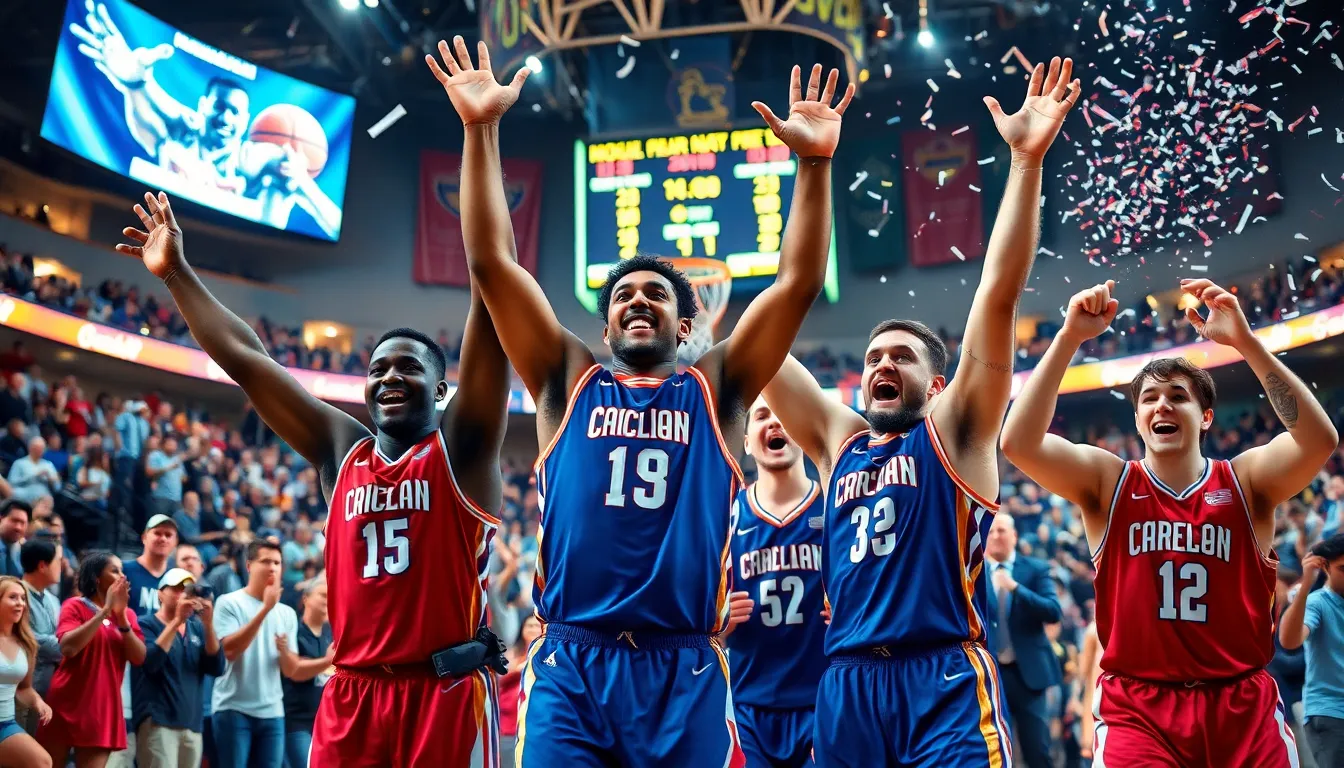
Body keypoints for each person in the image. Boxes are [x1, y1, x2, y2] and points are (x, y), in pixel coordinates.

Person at [428, 35, 851, 766]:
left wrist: (813, 165)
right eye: (623, 294)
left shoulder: (713, 391)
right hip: (572, 664)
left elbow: (797, 286)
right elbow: (492, 262)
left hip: (683, 667)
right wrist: (478, 129)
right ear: (606, 322)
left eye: (656, 293)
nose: (637, 301)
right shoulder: (568, 381)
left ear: (686, 325)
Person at [119, 184, 513, 767]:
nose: (390, 377)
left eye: (410, 366)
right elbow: (249, 362)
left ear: (443, 390)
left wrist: (480, 131)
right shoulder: (343, 451)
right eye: (378, 368)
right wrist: (177, 274)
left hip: (443, 694)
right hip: (352, 691)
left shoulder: (462, 453)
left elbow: (491, 285)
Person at [757, 57, 1079, 766]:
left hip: (943, 679)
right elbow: (765, 344)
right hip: (844, 683)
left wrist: (1025, 160)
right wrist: (807, 173)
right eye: (873, 359)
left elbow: (997, 293)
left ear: (938, 386)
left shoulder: (956, 430)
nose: (881, 364)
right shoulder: (840, 440)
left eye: (901, 357)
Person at [1000, 278, 1339, 766]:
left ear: (1204, 416)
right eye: (1149, 398)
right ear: (1138, 420)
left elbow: (1318, 441)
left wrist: (1245, 340)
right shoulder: (1107, 482)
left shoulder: (1246, 481)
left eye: (1177, 396)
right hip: (1139, 709)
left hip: (1241, 703)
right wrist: (1069, 338)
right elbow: (1019, 443)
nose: (1162, 404)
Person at [725, 398, 827, 767]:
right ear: (748, 442)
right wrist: (715, 621)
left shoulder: (836, 508)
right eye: (762, 416)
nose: (775, 423)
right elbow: (696, 615)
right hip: (747, 704)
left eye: (784, 414)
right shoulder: (725, 517)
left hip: (825, 700)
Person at [40, 551, 147, 767]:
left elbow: (138, 658)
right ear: (97, 577)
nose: (122, 577)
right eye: (115, 571)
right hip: (66, 701)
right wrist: (105, 611)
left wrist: (122, 616)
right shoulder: (74, 605)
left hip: (102, 707)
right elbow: (68, 648)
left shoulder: (129, 616)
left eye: (123, 571)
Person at [983, 513, 1062, 767]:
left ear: (1014, 536)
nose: (996, 536)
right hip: (991, 676)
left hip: (1028, 675)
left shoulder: (1036, 568)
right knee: (992, 752)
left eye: (1002, 531)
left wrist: (1015, 587)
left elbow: (1052, 611)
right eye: (992, 531)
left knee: (1037, 751)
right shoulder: (975, 572)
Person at [132, 567, 223, 768]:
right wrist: (176, 622)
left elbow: (217, 667)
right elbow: (150, 663)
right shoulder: (144, 624)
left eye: (188, 590)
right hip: (158, 722)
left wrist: (208, 624)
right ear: (160, 594)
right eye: (176, 588)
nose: (183, 594)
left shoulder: (197, 627)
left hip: (191, 724)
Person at [1280, 534, 1344, 766]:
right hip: (1330, 713)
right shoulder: (1318, 602)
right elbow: (1290, 641)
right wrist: (1306, 584)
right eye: (1343, 569)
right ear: (1325, 567)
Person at [279, 577, 333, 768]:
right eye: (323, 595)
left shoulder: (329, 636)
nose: (328, 600)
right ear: (305, 599)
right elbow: (295, 671)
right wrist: (326, 661)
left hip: (323, 722)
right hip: (296, 721)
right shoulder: (295, 632)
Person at [0, 576, 53, 768]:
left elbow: (24, 688)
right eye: (13, 597)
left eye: (23, 598)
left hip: (5, 723)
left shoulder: (26, 644)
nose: (20, 603)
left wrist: (38, 702)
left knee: (42, 762)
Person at [16, 541, 61, 737]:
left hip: (49, 690)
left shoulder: (54, 600)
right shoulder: (14, 595)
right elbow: (27, 638)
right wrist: (66, 645)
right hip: (19, 689)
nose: (62, 566)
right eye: (57, 561)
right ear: (42, 565)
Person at [7, 438, 59, 506]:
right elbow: (11, 483)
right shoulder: (19, 463)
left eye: (42, 448)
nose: (40, 451)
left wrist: (51, 481)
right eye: (37, 448)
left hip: (44, 501)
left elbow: (57, 487)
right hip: (23, 500)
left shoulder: (48, 465)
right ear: (30, 448)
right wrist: (34, 476)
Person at [0, 501, 31, 578]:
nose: (18, 527)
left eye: (22, 523)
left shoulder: (25, 552)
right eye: (14, 521)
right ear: (1, 519)